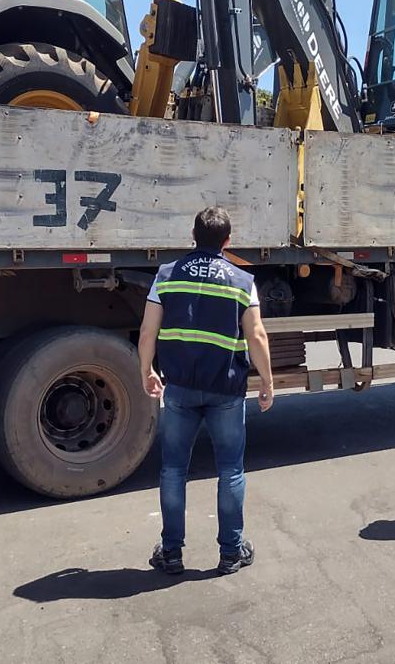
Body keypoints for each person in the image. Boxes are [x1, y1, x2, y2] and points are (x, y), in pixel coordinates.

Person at [137, 206, 275, 575]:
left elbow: (148, 332)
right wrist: (267, 380)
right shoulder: (242, 280)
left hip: (180, 387)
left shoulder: (166, 275)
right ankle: (231, 552)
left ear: (192, 236)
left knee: (173, 470)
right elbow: (256, 335)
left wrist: (146, 370)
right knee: (230, 470)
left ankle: (171, 552)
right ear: (228, 241)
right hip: (225, 388)